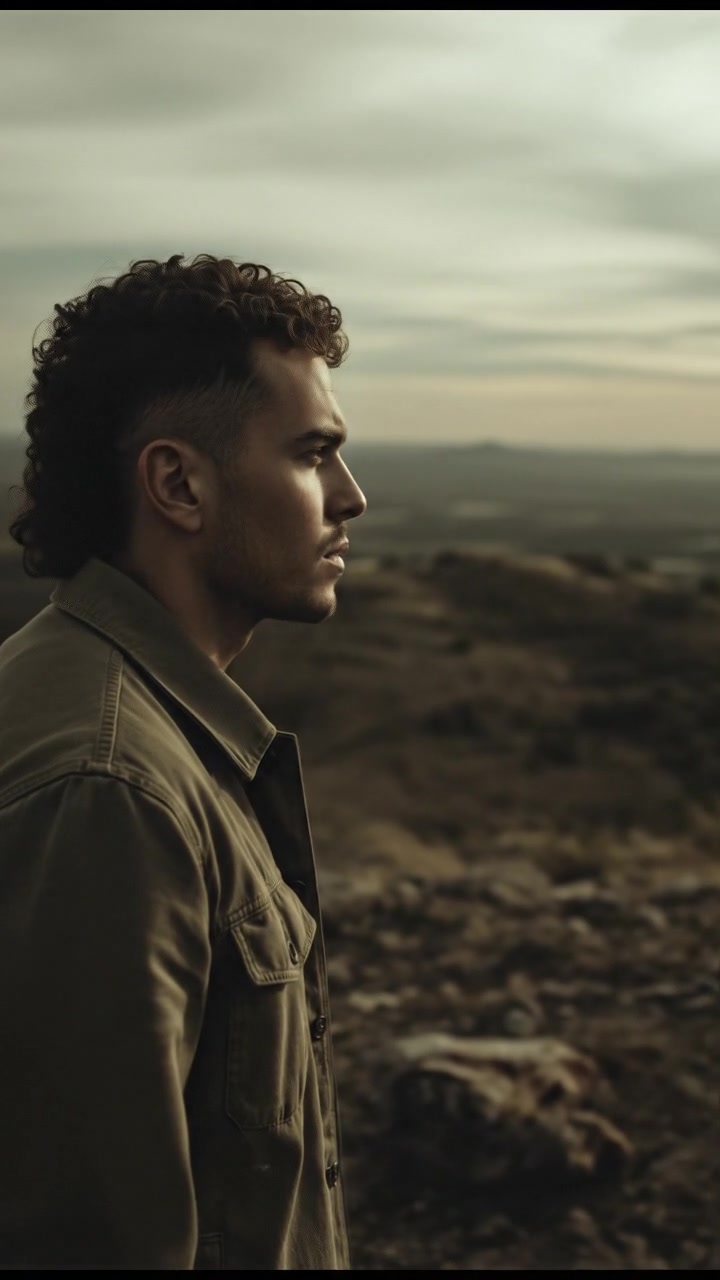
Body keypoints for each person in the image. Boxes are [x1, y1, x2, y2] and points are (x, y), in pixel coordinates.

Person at [0, 254, 367, 1270]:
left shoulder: (134, 726)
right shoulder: (107, 788)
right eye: (312, 454)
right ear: (177, 482)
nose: (352, 496)